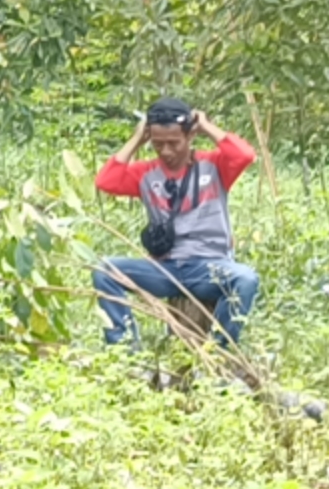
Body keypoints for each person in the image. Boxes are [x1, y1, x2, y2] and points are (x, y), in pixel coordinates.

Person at [91, 98, 262, 349]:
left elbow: (245, 155)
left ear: (190, 135)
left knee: (246, 279)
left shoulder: (214, 166)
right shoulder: (145, 174)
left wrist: (207, 127)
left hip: (209, 267)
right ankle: (125, 351)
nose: (166, 151)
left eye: (174, 143)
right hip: (165, 269)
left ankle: (219, 351)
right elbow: (105, 181)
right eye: (158, 144)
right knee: (105, 270)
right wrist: (136, 139)